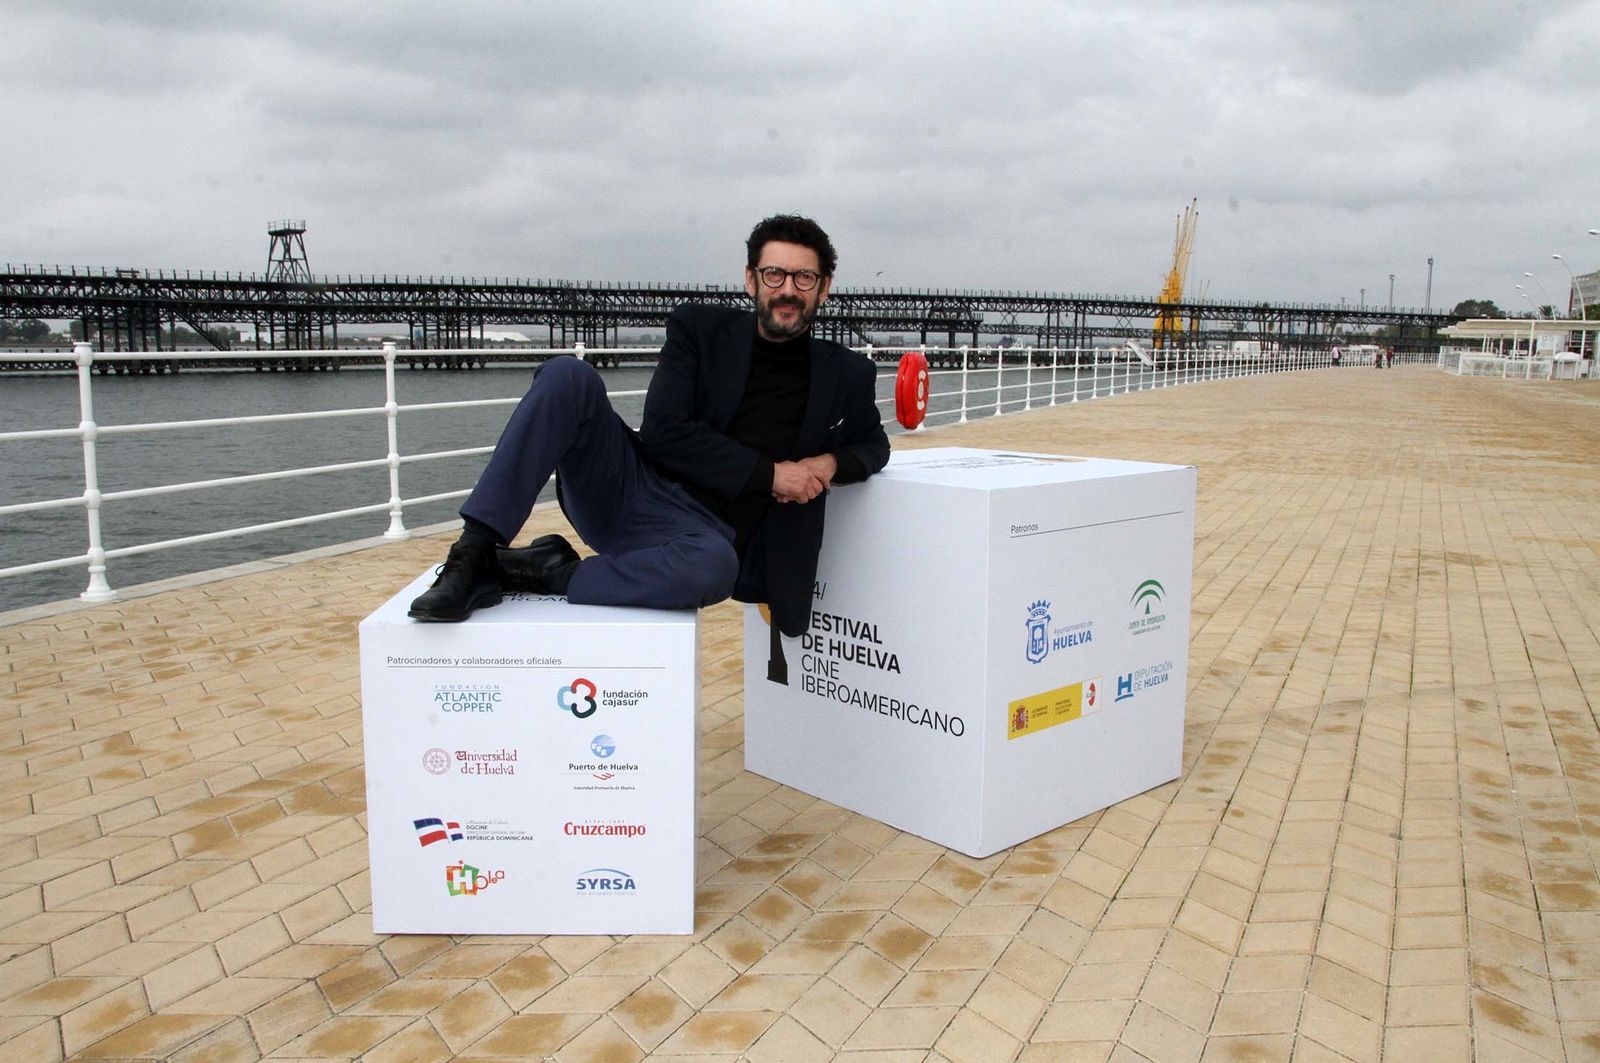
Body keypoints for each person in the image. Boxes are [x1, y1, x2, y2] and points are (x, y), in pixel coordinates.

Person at [407, 214, 891, 639]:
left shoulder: (846, 372)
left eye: (804, 277)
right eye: (775, 273)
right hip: (634, 491)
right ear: (751, 280)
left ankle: (543, 571)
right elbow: (663, 430)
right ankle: (472, 554)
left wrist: (827, 462)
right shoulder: (700, 331)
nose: (788, 289)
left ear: (824, 287)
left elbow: (874, 444)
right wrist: (772, 475)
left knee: (714, 567)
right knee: (567, 376)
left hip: (701, 540)